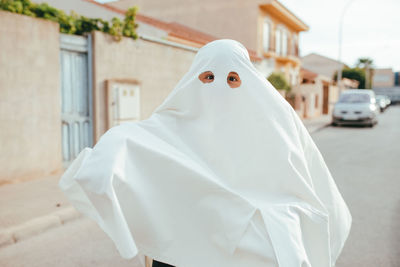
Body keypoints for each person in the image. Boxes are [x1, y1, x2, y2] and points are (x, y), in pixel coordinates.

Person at [59, 39, 352, 267]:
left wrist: (275, 220)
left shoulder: (274, 126)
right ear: (194, 78)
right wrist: (108, 156)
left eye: (232, 79)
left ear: (247, 81)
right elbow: (132, 141)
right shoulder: (173, 125)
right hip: (182, 252)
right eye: (209, 77)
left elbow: (304, 187)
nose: (219, 88)